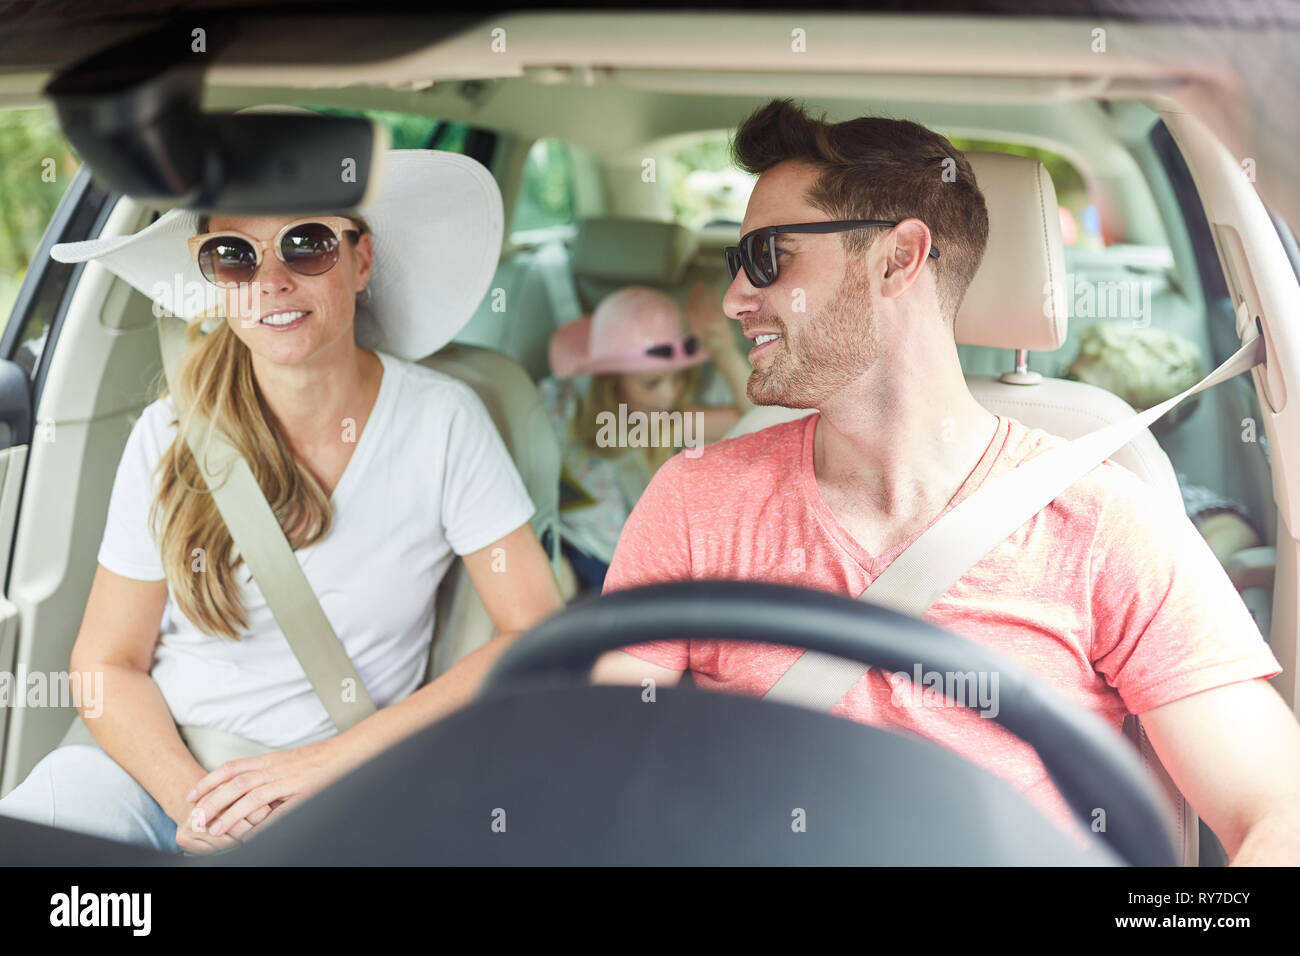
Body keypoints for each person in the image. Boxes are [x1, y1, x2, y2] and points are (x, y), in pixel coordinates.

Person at [592, 99, 1300, 864]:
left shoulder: (1104, 523)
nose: (735, 299)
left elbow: (1276, 815)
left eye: (769, 258)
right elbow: (599, 767)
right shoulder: (697, 501)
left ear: (898, 258)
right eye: (738, 266)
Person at [0, 149, 563, 854]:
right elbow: (106, 662)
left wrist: (323, 767)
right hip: (152, 775)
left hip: (340, 789)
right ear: (212, 276)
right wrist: (196, 805)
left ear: (361, 263)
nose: (269, 281)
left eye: (307, 245)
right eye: (234, 256)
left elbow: (533, 631)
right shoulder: (169, 432)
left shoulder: (443, 422)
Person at [541, 282, 752, 591]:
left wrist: (723, 351)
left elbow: (760, 417)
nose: (669, 394)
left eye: (678, 378)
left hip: (637, 569)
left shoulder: (667, 424)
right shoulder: (561, 408)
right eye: (652, 383)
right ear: (611, 381)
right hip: (573, 547)